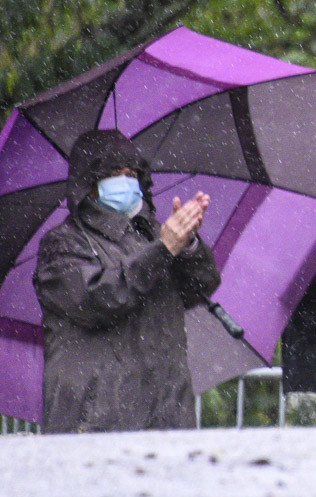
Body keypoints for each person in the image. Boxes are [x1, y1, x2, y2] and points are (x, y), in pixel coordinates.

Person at [32, 129, 221, 433]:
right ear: (89, 184)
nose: (126, 182)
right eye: (114, 174)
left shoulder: (154, 236)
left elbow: (201, 285)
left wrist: (187, 244)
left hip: (168, 417)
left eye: (132, 174)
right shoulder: (62, 244)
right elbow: (98, 299)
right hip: (96, 424)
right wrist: (163, 250)